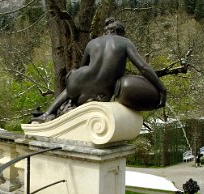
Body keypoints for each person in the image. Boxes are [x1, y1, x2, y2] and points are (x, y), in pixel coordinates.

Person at [31, 18, 167, 123]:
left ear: (106, 31)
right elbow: (143, 68)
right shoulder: (125, 42)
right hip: (101, 91)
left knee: (72, 87)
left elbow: (83, 67)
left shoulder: (92, 43)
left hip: (77, 83)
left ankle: (47, 113)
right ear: (120, 32)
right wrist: (161, 88)